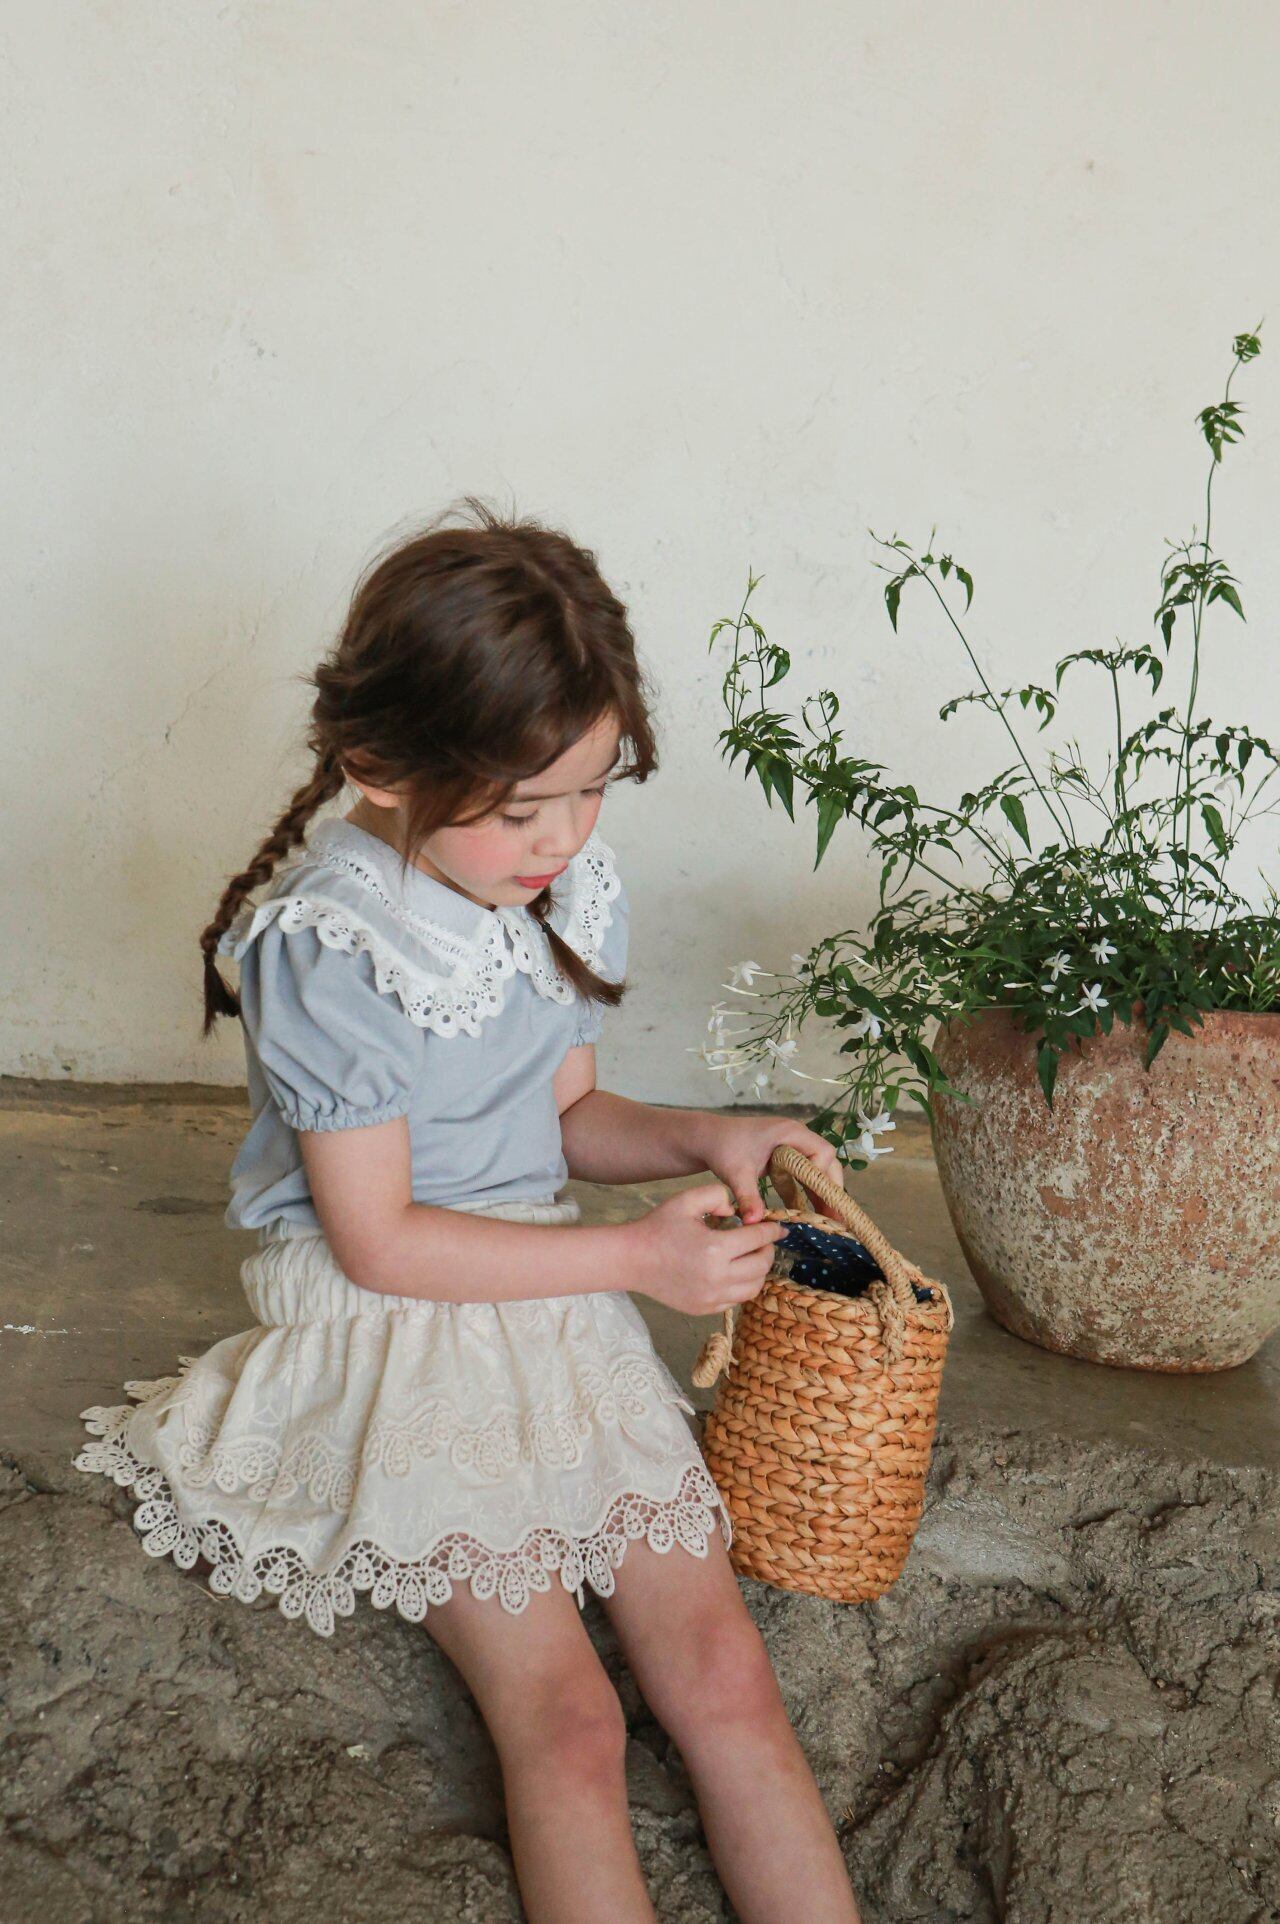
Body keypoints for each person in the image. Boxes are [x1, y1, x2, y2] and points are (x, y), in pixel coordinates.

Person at [73, 499, 865, 1924]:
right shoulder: (334, 946)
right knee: (568, 1718)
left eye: (593, 789)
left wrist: (707, 1132)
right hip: (394, 1333)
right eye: (519, 809)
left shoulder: (560, 885)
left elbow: (565, 1120)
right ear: (380, 768)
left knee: (726, 1675)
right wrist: (631, 1258)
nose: (562, 836)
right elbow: (379, 1241)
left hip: (550, 1304)